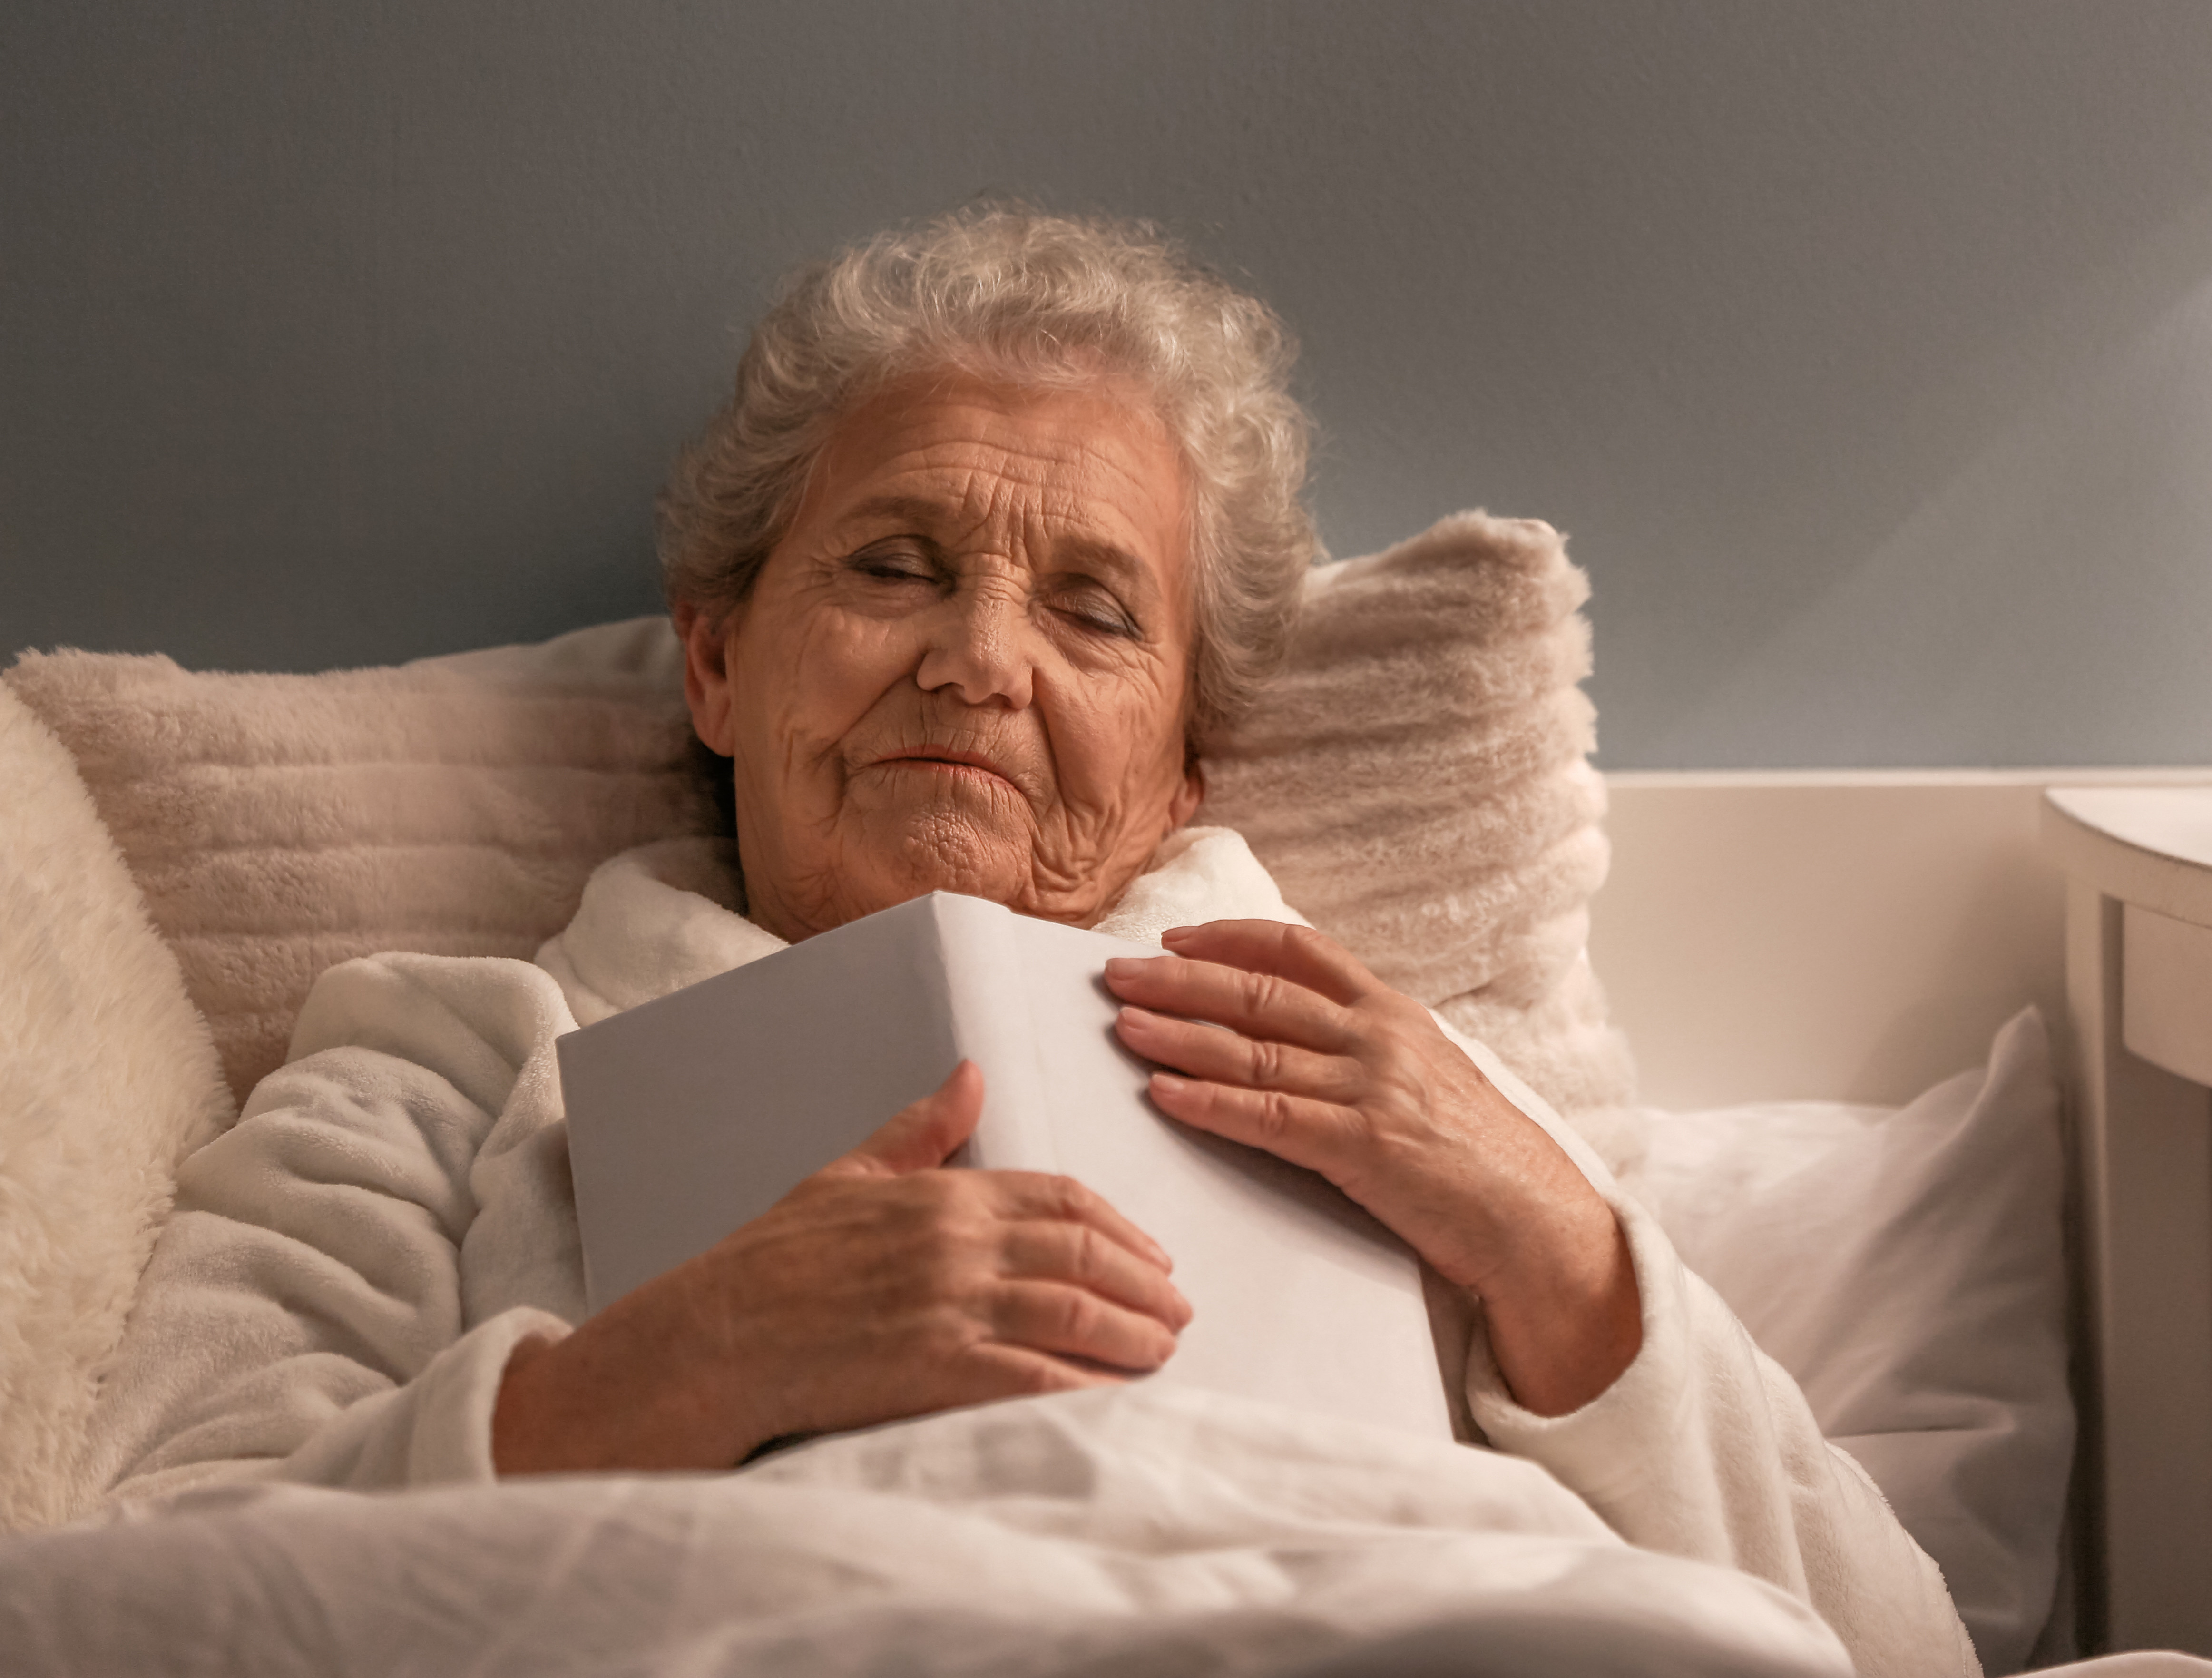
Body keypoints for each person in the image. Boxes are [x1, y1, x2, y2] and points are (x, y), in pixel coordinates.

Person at [82, 206, 1974, 1673]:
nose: (981, 660)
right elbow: (138, 1607)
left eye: (1091, 612)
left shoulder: (1405, 1092)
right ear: (721, 662)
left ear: (1182, 767)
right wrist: (677, 1367)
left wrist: (1562, 1253)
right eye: (894, 567)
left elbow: (1904, 1657)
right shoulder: (436, 1058)